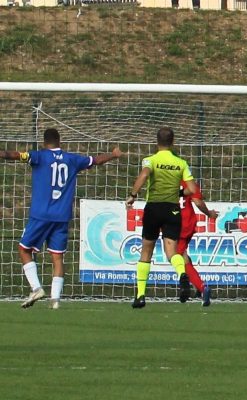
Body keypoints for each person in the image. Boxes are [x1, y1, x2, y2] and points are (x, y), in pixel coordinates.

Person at [0, 128, 123, 309]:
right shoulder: (72, 159)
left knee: (24, 249)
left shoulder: (39, 156)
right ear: (60, 141)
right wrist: (113, 155)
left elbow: (14, 155)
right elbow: (96, 160)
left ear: (43, 142)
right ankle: (55, 300)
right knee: (57, 257)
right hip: (62, 216)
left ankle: (36, 288)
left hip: (41, 215)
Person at [126, 127, 197, 309]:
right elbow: (192, 190)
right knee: (172, 252)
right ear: (173, 142)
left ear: (156, 142)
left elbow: (143, 175)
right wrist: (179, 191)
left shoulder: (151, 160)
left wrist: (133, 195)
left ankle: (141, 295)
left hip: (154, 208)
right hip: (172, 210)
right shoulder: (180, 163)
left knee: (146, 252)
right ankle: (182, 274)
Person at [177, 179, 219, 307]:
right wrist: (209, 213)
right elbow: (197, 201)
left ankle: (202, 287)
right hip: (189, 223)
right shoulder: (188, 182)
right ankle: (198, 286)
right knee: (183, 255)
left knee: (176, 257)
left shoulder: (165, 181)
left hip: (175, 224)